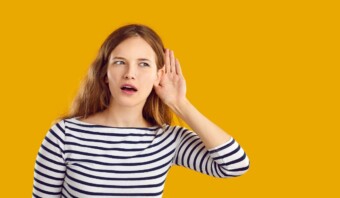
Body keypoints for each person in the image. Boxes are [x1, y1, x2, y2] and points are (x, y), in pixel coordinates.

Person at [32, 24, 250, 198]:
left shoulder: (167, 140)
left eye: (143, 64)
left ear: (159, 75)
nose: (130, 74)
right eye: (119, 62)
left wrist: (179, 104)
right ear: (105, 74)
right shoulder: (65, 135)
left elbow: (235, 165)